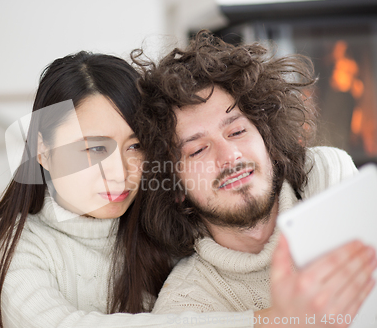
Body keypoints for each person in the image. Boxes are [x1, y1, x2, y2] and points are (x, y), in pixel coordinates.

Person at [0, 51, 264, 328]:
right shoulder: (10, 245)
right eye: (95, 148)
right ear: (43, 150)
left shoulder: (159, 222)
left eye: (135, 146)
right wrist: (265, 321)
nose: (120, 173)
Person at [131, 30, 377, 326]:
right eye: (197, 150)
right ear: (176, 186)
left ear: (266, 138)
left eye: (236, 131)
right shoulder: (184, 305)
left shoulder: (328, 176)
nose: (230, 156)